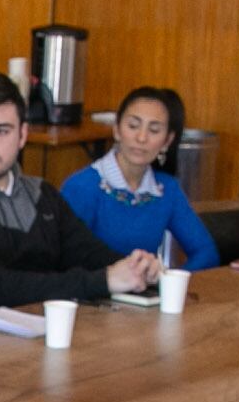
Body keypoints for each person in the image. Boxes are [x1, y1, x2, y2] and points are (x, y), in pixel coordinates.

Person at [0, 71, 160, 321]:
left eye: (1, 131)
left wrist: (137, 268)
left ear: (23, 135)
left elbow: (88, 253)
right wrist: (104, 280)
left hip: (43, 335)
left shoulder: (42, 194)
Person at [57, 85, 217, 269]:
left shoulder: (166, 190)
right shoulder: (83, 186)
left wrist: (167, 283)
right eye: (133, 126)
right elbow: (65, 261)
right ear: (117, 129)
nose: (141, 138)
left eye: (154, 130)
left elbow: (206, 252)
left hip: (143, 294)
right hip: (91, 294)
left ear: (167, 141)